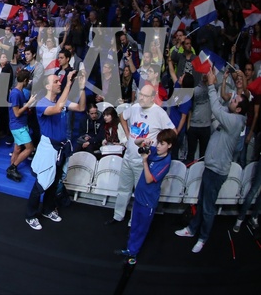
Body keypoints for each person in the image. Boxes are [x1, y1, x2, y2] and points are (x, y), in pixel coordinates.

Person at [175, 69, 248, 253]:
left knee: (208, 208)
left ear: (239, 109)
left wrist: (210, 86)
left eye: (236, 100)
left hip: (217, 172)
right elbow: (221, 106)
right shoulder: (231, 115)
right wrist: (215, 83)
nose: (232, 98)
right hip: (211, 168)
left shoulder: (236, 121)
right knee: (201, 203)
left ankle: (203, 238)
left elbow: (215, 108)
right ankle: (192, 229)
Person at [25, 70, 86, 230]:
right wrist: (69, 83)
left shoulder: (61, 100)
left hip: (61, 148)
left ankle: (48, 209)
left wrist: (81, 88)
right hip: (48, 148)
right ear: (47, 86)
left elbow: (81, 107)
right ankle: (30, 215)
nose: (59, 83)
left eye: (60, 81)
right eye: (56, 81)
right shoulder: (42, 103)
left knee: (54, 183)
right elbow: (58, 109)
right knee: (41, 184)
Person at [106, 83, 175, 225]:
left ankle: (133, 221)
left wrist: (157, 146)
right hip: (128, 156)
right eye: (140, 94)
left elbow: (173, 132)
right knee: (123, 189)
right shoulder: (135, 107)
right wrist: (127, 133)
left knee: (139, 193)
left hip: (143, 161)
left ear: (153, 97)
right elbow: (122, 116)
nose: (141, 98)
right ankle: (118, 216)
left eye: (145, 96)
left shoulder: (159, 112)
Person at [117, 128, 176, 263]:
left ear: (170, 145)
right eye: (158, 142)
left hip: (148, 201)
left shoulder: (166, 162)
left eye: (162, 144)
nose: (158, 146)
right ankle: (130, 249)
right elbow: (137, 143)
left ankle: (133, 253)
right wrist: (144, 141)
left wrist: (144, 161)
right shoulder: (155, 151)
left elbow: (150, 179)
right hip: (139, 195)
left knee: (141, 229)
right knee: (134, 226)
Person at [6, 69, 38, 181]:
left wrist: (29, 105)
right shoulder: (15, 93)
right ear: (25, 80)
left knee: (18, 148)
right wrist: (28, 104)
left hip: (21, 125)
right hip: (18, 126)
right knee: (30, 148)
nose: (28, 82)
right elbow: (17, 113)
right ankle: (13, 168)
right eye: (28, 80)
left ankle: (11, 169)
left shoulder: (19, 92)